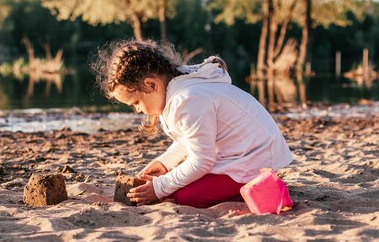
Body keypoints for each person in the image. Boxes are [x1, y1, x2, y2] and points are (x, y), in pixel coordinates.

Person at [91, 39, 293, 208]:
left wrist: (160, 188)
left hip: (252, 159)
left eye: (136, 103)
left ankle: (258, 186)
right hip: (241, 153)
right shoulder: (179, 90)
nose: (138, 110)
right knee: (177, 182)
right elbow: (190, 139)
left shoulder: (187, 100)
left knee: (185, 197)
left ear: (151, 85)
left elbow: (201, 160)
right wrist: (165, 163)